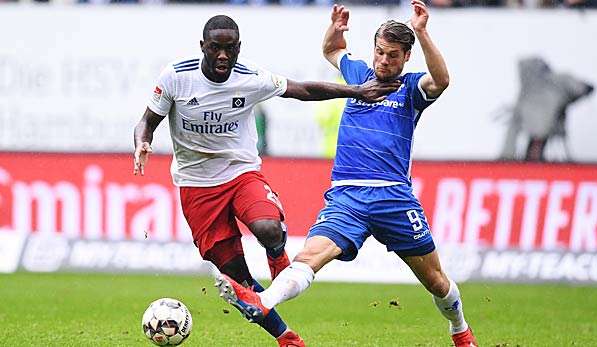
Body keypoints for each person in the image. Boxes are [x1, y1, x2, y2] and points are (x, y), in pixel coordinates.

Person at [215, 3, 479, 346]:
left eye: (393, 56)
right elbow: (331, 49)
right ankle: (261, 301)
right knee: (310, 255)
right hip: (347, 197)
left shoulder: (413, 89)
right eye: (380, 53)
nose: (383, 61)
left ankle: (459, 329)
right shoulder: (358, 76)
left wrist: (424, 31)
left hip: (393, 198)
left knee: (437, 283)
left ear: (407, 56)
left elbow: (441, 79)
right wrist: (336, 28)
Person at [133, 14, 399, 347]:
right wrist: (143, 141)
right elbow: (146, 121)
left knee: (269, 229)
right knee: (240, 283)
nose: (223, 57)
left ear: (239, 48)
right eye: (215, 48)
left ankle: (278, 261)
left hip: (240, 173)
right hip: (196, 187)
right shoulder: (175, 77)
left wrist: (358, 91)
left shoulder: (250, 77)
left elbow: (302, 90)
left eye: (230, 49)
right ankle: (287, 338)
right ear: (202, 46)